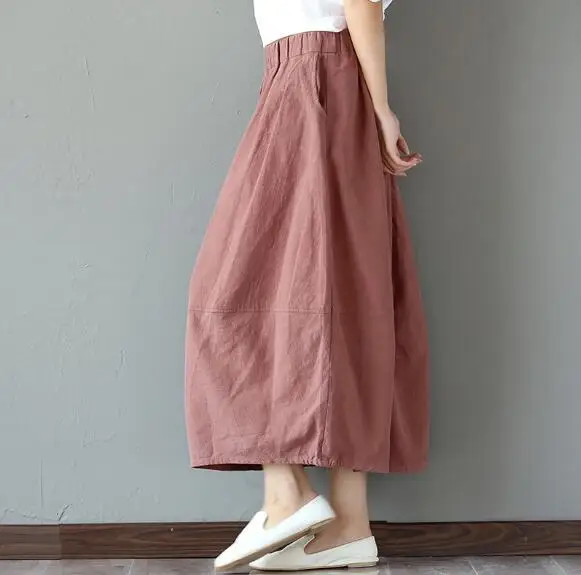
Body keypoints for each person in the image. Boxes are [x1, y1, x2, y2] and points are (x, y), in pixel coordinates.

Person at [184, 0, 429, 571]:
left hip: (315, 78)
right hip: (309, 79)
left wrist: (381, 108)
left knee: (242, 289)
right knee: (349, 290)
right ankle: (348, 521)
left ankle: (287, 494)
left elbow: (360, 3)